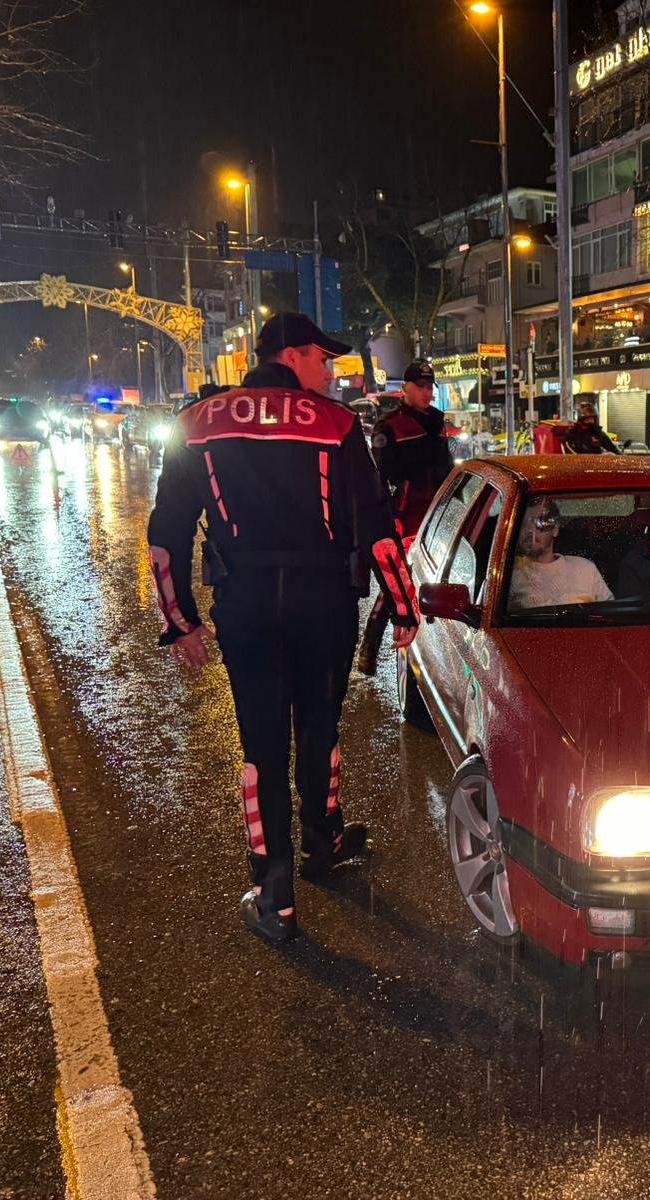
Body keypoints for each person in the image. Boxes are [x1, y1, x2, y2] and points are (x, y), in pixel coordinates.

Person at [147, 313, 421, 944]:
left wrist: (181, 623)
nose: (331, 372)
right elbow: (378, 529)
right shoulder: (337, 424)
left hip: (246, 608)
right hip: (324, 604)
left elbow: (166, 537)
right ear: (293, 356)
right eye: (324, 361)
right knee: (320, 727)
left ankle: (276, 898)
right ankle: (322, 844)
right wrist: (403, 609)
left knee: (262, 749)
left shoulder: (196, 423)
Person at [356, 359, 454, 674]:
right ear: (406, 388)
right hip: (406, 517)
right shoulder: (391, 426)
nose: (426, 392)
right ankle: (369, 647)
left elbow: (447, 468)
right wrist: (389, 517)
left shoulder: (438, 422)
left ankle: (437, 652)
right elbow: (381, 477)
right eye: (420, 387)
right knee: (398, 581)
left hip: (439, 515)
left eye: (429, 387)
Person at [508, 498, 613, 609]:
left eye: (539, 523)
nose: (530, 531)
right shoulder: (507, 573)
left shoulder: (585, 569)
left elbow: (610, 612)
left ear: (555, 529)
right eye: (523, 524)